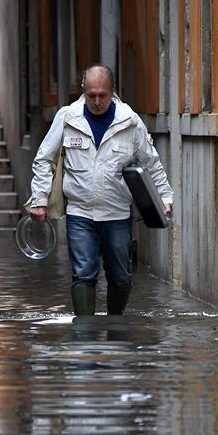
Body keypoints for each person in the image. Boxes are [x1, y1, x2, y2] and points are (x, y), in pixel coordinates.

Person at [29, 64, 173, 316]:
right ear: (83, 91)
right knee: (83, 274)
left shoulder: (129, 122)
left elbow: (151, 162)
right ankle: (85, 335)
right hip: (80, 213)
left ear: (112, 91)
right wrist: (39, 198)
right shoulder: (67, 118)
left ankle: (114, 326)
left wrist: (164, 197)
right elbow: (44, 159)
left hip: (117, 213)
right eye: (91, 95)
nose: (96, 101)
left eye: (102, 95)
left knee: (120, 277)